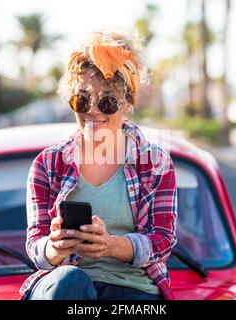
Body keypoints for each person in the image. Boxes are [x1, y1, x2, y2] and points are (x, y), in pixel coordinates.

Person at [20, 31, 178, 300]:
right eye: (81, 99)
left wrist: (111, 246)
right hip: (63, 287)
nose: (92, 111)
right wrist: (55, 248)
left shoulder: (155, 164)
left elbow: (163, 240)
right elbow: (35, 244)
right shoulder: (47, 164)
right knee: (68, 281)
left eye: (107, 101)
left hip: (133, 288)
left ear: (128, 103)